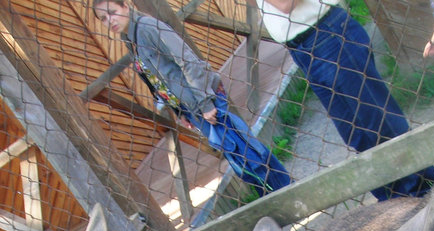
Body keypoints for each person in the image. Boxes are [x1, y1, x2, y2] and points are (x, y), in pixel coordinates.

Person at [92, 1, 291, 197]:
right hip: (190, 106)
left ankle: (285, 193)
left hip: (204, 99)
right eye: (103, 18)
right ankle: (275, 196)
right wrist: (180, 111)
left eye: (112, 12)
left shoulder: (147, 28)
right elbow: (159, 79)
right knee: (237, 156)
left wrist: (205, 103)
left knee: (245, 152)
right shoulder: (130, 39)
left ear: (125, 6)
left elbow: (186, 60)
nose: (109, 20)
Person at [250, 0, 434, 201]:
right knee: (358, 137)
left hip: (327, 34)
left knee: (381, 126)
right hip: (301, 49)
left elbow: (285, 3)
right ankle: (397, 207)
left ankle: (432, 196)